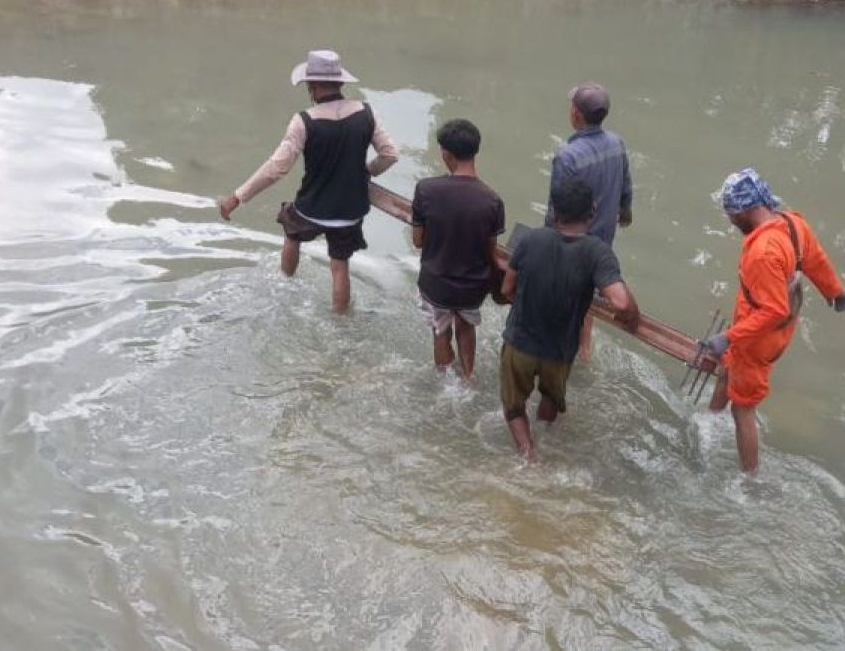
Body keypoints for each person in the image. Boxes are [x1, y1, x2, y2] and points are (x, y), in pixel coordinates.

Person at [219, 50, 398, 313]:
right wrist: (367, 171)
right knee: (340, 266)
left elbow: (276, 170)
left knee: (291, 230)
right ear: (340, 83)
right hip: (349, 212)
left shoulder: (303, 121)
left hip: (311, 208)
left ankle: (286, 282)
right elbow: (390, 154)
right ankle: (340, 319)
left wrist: (237, 197)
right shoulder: (367, 114)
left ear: (312, 86)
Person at [702, 167, 845, 474]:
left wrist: (728, 336)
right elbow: (816, 258)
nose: (729, 221)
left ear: (745, 210)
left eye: (731, 214)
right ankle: (711, 417)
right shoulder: (793, 224)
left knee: (743, 407)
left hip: (761, 336)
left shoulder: (763, 253)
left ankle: (749, 477)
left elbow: (772, 312)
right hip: (779, 323)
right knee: (730, 366)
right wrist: (834, 290)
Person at [500, 176, 640, 461]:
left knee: (514, 407)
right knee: (551, 397)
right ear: (592, 211)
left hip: (520, 343)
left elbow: (506, 289)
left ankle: (529, 454)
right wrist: (632, 315)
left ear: (554, 210)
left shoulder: (530, 240)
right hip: (559, 351)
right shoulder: (597, 252)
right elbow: (621, 302)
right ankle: (547, 435)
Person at [543, 82, 633, 362]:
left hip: (572, 241)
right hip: (603, 237)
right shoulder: (617, 143)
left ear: (577, 115)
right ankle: (585, 351)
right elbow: (626, 185)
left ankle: (561, 351)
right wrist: (626, 211)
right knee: (588, 294)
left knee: (562, 298)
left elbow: (556, 209)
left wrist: (546, 247)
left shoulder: (568, 156)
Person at [411, 119, 505, 380]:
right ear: (475, 151)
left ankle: (446, 381)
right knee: (466, 327)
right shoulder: (492, 200)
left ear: (446, 154)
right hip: (472, 287)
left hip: (436, 283)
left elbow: (418, 240)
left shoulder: (426, 189)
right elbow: (490, 252)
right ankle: (468, 377)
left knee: (440, 330)